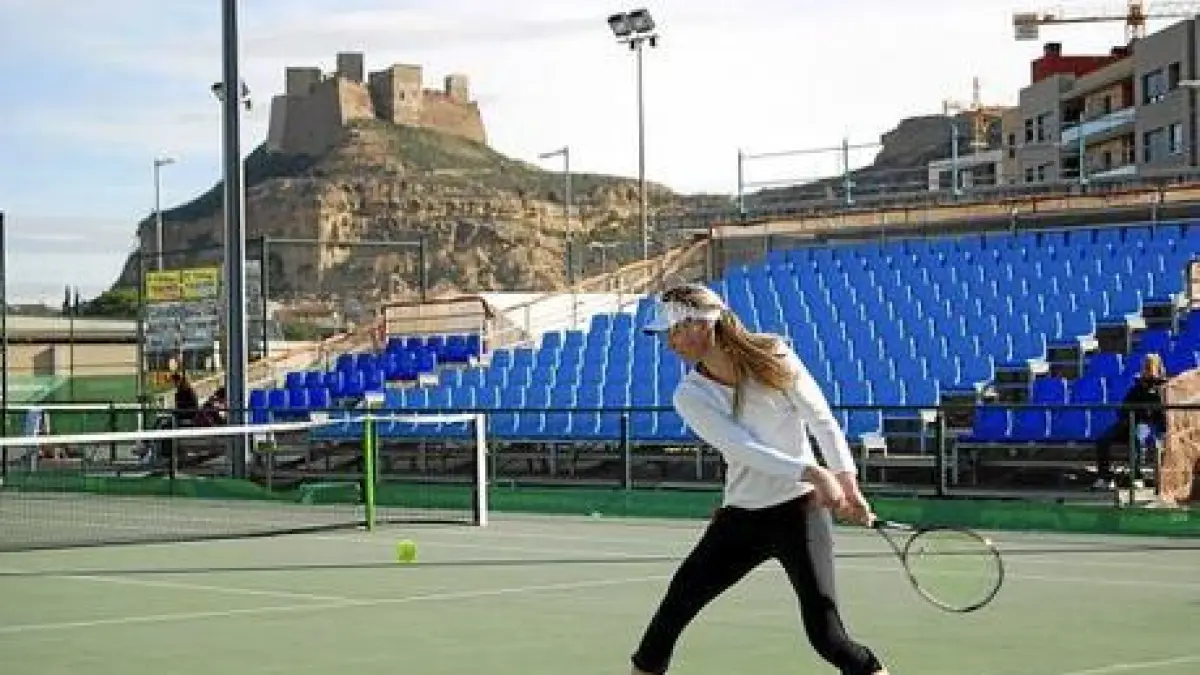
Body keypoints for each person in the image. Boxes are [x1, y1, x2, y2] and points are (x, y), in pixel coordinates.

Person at [630, 283, 888, 675]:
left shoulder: (775, 355)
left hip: (801, 513)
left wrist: (848, 483)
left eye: (675, 331)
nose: (670, 343)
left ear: (701, 325)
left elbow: (822, 421)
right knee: (670, 617)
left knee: (828, 637)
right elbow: (742, 448)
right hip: (741, 518)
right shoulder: (690, 395)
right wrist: (814, 472)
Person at [1093, 353, 1168, 490]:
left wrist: (1157, 428)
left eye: (1149, 366)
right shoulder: (1136, 387)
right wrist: (1125, 420)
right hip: (1127, 423)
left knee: (1136, 439)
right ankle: (1105, 477)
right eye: (1145, 366)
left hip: (1146, 425)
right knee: (1102, 440)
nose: (1146, 369)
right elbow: (1125, 407)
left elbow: (1161, 415)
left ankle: (1137, 477)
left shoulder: (1162, 389)